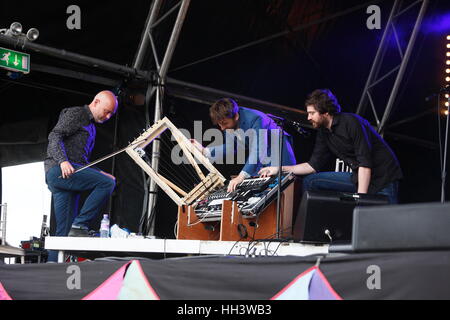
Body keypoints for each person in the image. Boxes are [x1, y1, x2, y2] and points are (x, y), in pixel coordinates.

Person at [259, 89, 402, 204]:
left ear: (326, 112)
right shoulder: (323, 132)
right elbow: (312, 166)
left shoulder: (351, 123)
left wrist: (361, 200)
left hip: (383, 177)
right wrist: (279, 169)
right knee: (311, 181)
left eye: (312, 113)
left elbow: (365, 163)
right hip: (359, 176)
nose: (308, 118)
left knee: (385, 226)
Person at [44, 90, 118, 261]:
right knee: (107, 184)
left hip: (68, 176)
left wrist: (100, 173)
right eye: (106, 111)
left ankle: (50, 272)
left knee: (62, 233)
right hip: (59, 171)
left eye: (111, 114)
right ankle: (80, 224)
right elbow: (55, 136)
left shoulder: (91, 127)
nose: (107, 116)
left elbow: (82, 162)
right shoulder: (77, 114)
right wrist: (63, 161)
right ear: (96, 101)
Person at [191, 98, 297, 192]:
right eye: (220, 124)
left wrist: (241, 176)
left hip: (278, 153)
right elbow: (231, 147)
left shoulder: (256, 118)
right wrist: (205, 151)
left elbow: (258, 150)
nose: (222, 128)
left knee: (282, 190)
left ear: (236, 116)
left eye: (224, 124)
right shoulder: (228, 123)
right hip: (261, 158)